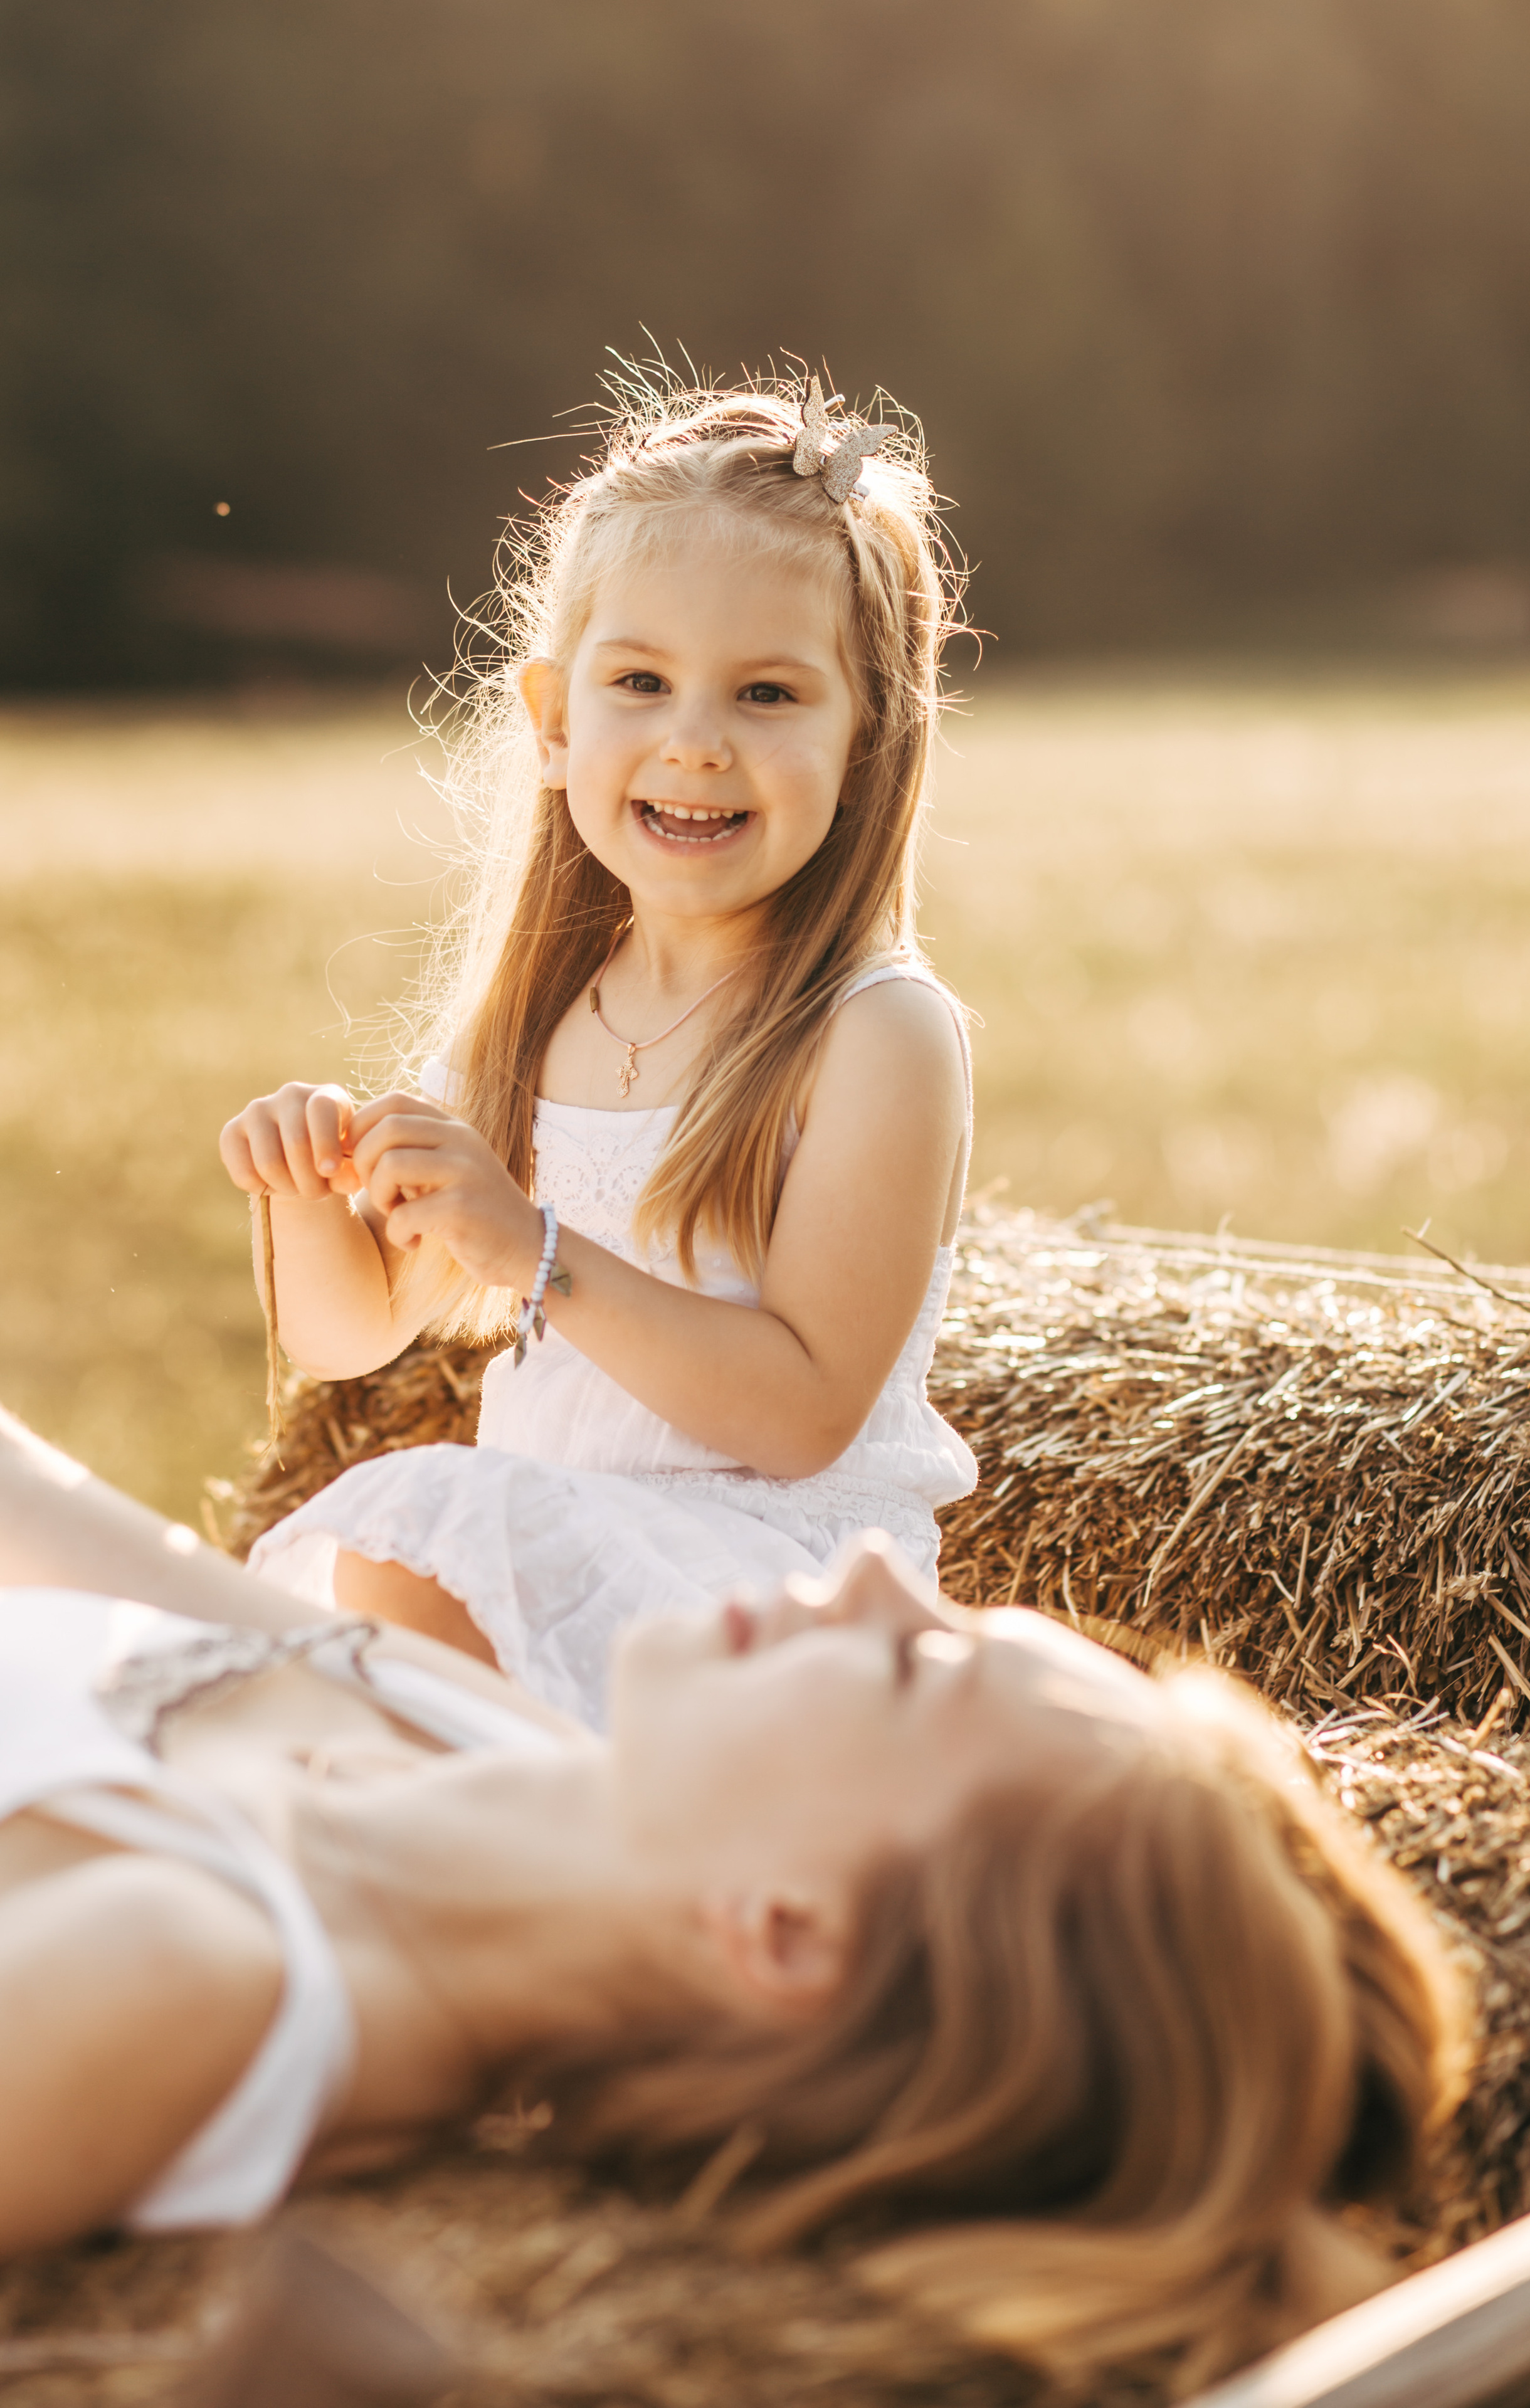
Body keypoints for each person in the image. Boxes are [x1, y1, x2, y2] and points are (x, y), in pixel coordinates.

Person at [0, 1407, 1465, 2399]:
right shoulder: (472, 1733)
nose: (889, 1569)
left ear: (787, 1928)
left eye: (915, 1666)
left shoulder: (191, 1974)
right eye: (951, 1619)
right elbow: (54, 1516)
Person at [219, 369, 978, 1726]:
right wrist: (297, 1200)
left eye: (766, 695)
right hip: (566, 1568)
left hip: (775, 1603)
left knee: (423, 1536)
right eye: (640, 683)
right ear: (556, 725)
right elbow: (350, 1336)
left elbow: (803, 1414)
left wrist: (535, 1253)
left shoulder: (873, 1034)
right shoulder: (540, 1015)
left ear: (867, 741)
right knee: (355, 1598)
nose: (694, 745)